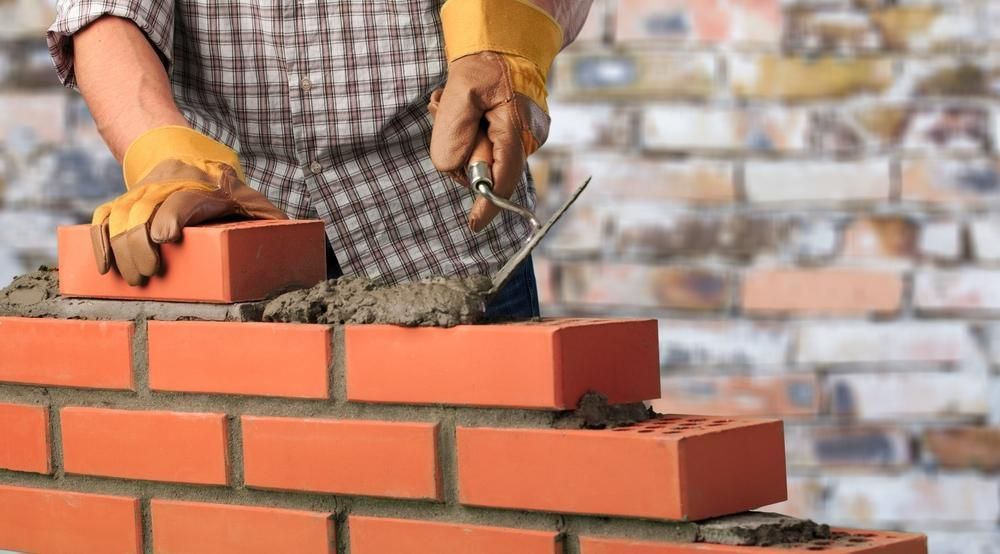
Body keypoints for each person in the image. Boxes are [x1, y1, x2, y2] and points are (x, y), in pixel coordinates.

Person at [47, 0, 592, 319]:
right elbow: (105, 10)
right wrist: (163, 151)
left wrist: (503, 46)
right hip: (229, 229)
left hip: (440, 230)